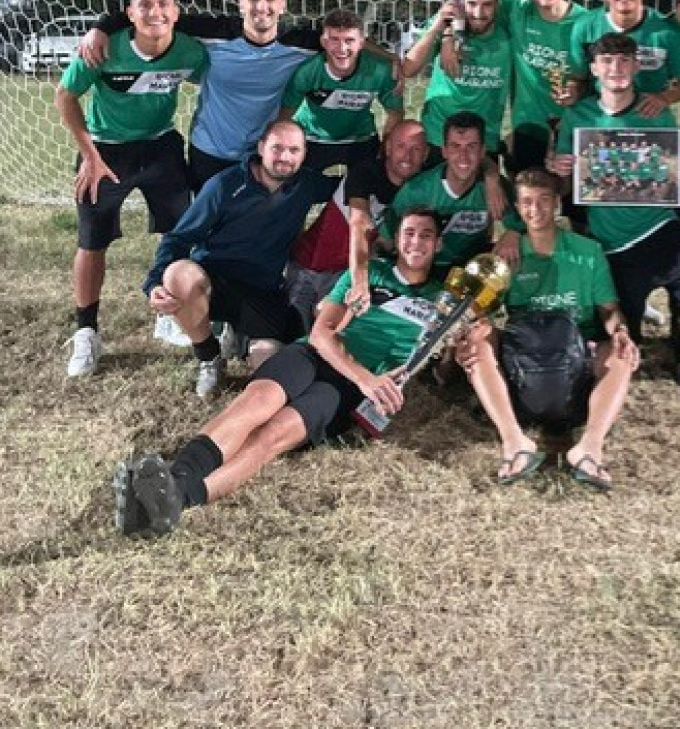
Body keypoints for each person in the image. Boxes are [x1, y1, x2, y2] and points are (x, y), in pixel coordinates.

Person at [113, 208, 446, 536]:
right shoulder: (368, 274)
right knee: (255, 403)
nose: (416, 242)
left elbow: (446, 361)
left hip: (351, 390)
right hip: (317, 355)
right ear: (397, 239)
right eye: (409, 233)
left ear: (439, 245)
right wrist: (365, 378)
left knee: (273, 434)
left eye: (426, 235)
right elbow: (321, 333)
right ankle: (174, 483)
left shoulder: (445, 303)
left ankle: (176, 499)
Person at [56, 0, 207, 378]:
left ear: (176, 12)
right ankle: (86, 331)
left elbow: (215, 77)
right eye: (146, 5)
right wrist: (89, 155)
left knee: (177, 232)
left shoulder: (191, 51)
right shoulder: (104, 48)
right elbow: (65, 96)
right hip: (105, 150)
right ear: (130, 14)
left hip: (160, 145)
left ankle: (168, 312)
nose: (155, 13)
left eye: (163, 5)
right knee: (92, 241)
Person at [550, 34, 680, 388]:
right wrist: (559, 171)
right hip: (611, 243)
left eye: (624, 60)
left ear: (637, 66)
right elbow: (564, 190)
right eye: (607, 61)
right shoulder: (578, 116)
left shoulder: (655, 112)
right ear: (594, 69)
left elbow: (677, 187)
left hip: (660, 229)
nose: (616, 68)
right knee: (620, 345)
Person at [457, 168, 639, 490]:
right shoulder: (506, 256)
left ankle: (589, 448)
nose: (535, 209)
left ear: (557, 203)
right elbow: (479, 311)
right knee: (478, 339)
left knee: (621, 352)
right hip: (524, 361)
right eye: (527, 202)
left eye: (543, 200)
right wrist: (475, 326)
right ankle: (514, 442)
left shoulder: (587, 251)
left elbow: (609, 310)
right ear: (518, 207)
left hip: (576, 358)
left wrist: (620, 331)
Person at [141, 119, 340, 396]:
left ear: (304, 153)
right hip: (214, 282)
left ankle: (239, 337)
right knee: (179, 275)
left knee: (271, 366)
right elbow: (179, 238)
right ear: (261, 147)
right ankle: (209, 356)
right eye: (277, 148)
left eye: (294, 150)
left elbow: (351, 187)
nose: (284, 157)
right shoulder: (225, 185)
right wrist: (154, 283)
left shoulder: (306, 184)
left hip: (262, 290)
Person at [81, 0, 320, 192]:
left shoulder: (301, 44)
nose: (261, 6)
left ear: (282, 4)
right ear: (240, 4)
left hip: (264, 152)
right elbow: (154, 17)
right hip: (210, 150)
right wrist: (101, 27)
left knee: (259, 216)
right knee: (205, 218)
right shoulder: (214, 32)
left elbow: (338, 39)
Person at [284, 118, 430, 325]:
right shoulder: (365, 173)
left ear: (426, 154)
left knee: (340, 327)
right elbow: (359, 222)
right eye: (401, 146)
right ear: (388, 147)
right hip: (310, 268)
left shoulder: (421, 189)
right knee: (292, 330)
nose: (407, 155)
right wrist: (359, 280)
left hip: (345, 276)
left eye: (416, 149)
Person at [568, 0, 680, 122]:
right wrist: (572, 91)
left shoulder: (667, 32)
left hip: (648, 120)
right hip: (599, 120)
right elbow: (578, 78)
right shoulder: (584, 27)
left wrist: (664, 98)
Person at [384, 111, 520, 273]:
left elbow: (525, 225)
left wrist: (513, 233)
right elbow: (385, 239)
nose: (463, 156)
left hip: (472, 267)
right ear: (444, 151)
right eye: (456, 146)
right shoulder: (417, 190)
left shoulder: (496, 188)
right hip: (427, 269)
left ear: (483, 151)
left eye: (471, 146)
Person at [404, 0, 513, 158]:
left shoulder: (509, 29)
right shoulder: (447, 23)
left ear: (498, 3)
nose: (478, 13)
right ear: (462, 1)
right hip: (438, 137)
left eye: (487, 5)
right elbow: (408, 69)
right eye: (471, 4)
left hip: (484, 140)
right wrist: (440, 29)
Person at [279, 7, 404, 173]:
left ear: (362, 43)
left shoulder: (381, 71)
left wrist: (385, 150)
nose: (342, 48)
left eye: (349, 40)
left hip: (360, 137)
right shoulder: (307, 72)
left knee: (369, 184)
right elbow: (285, 114)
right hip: (313, 136)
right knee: (297, 183)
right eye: (334, 39)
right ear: (323, 42)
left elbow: (395, 112)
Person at [502, 0, 588, 175]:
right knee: (529, 192)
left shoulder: (586, 22)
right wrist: (450, 34)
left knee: (571, 195)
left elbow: (600, 75)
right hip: (529, 126)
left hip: (574, 128)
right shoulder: (517, 12)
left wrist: (577, 89)